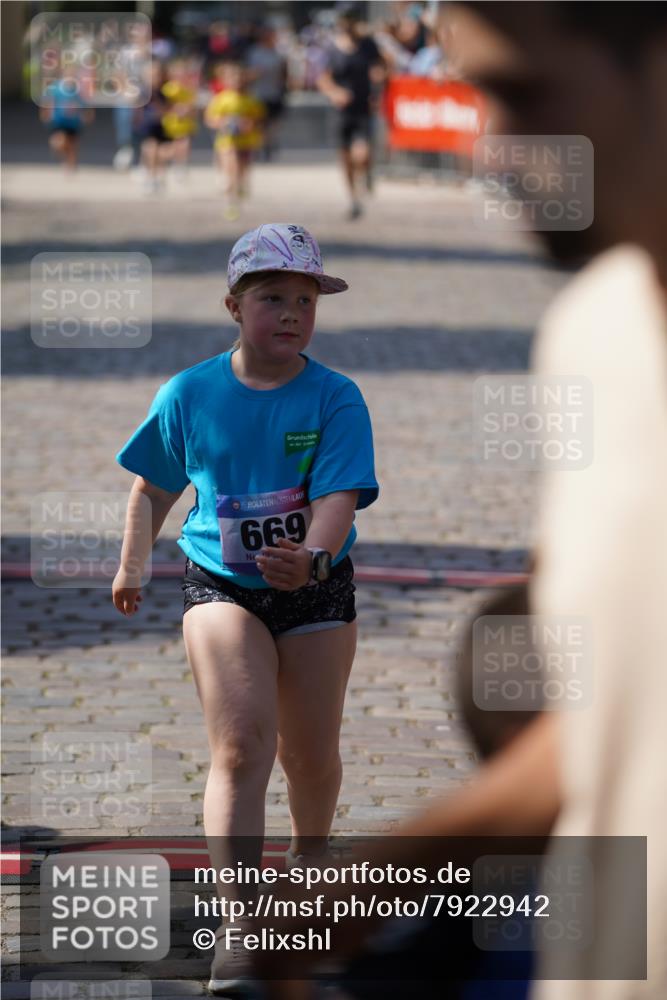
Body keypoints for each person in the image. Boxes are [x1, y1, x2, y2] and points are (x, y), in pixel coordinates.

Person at [248, 3, 667, 998]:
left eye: (521, 93)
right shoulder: (594, 334)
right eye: (472, 90)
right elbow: (621, 712)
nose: (489, 147)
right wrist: (375, 881)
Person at [112, 223, 379, 994]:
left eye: (305, 299)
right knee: (241, 745)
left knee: (309, 755)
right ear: (234, 306)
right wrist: (133, 564)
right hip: (219, 586)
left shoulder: (335, 396)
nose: (292, 313)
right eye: (272, 299)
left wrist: (314, 558)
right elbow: (152, 487)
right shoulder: (189, 393)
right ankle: (243, 920)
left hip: (318, 587)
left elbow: (337, 496)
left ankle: (309, 867)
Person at [317, 5, 385, 220]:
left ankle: (365, 174)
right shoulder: (331, 49)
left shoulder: (368, 45)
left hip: (363, 105)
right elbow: (323, 78)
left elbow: (380, 67)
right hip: (342, 109)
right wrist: (334, 92)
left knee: (362, 153)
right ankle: (353, 198)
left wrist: (378, 84)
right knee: (345, 155)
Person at [205, 61, 266, 220]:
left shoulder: (250, 99)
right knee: (231, 169)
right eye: (232, 77)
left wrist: (250, 124)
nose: (236, 81)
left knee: (243, 168)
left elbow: (259, 118)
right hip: (227, 141)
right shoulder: (221, 99)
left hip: (246, 140)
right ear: (224, 80)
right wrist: (223, 122)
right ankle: (231, 202)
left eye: (239, 77)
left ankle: (241, 186)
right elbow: (210, 119)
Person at [245, 26, 288, 161]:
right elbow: (248, 73)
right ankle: (258, 147)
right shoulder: (254, 53)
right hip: (258, 93)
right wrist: (255, 74)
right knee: (259, 123)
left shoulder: (278, 54)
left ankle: (269, 146)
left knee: (273, 123)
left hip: (274, 93)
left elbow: (284, 72)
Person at [39, 66, 94, 172]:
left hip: (73, 122)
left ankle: (71, 164)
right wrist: (45, 112)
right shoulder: (56, 88)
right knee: (59, 141)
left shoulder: (77, 90)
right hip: (59, 119)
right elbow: (48, 101)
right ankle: (63, 155)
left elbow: (84, 103)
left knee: (73, 143)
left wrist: (88, 114)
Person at [160, 58, 199, 180]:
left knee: (184, 145)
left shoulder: (189, 90)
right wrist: (175, 109)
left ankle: (180, 166)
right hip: (170, 122)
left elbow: (194, 108)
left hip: (185, 123)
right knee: (169, 148)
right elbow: (163, 106)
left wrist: (189, 110)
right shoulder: (167, 89)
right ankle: (158, 164)